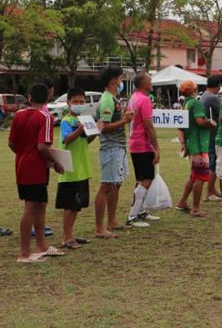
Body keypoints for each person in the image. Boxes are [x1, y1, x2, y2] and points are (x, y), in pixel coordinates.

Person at [9, 83, 65, 262]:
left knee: (39, 204)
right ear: (48, 98)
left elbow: (12, 143)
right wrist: (55, 161)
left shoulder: (18, 115)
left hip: (22, 166)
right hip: (36, 168)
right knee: (31, 207)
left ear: (29, 97)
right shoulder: (46, 117)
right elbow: (42, 146)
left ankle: (42, 245)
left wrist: (24, 154)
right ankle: (25, 253)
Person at [57, 87, 99, 249]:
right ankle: (66, 238)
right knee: (70, 206)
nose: (79, 104)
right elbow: (67, 139)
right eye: (75, 102)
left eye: (82, 101)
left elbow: (84, 142)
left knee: (77, 206)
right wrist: (81, 129)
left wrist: (95, 132)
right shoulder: (67, 121)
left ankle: (71, 235)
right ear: (68, 103)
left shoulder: (84, 119)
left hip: (82, 169)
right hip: (70, 171)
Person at [95, 67, 134, 239]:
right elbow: (104, 127)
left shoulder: (113, 98)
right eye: (120, 79)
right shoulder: (107, 100)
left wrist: (123, 118)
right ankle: (99, 227)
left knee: (116, 184)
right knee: (106, 186)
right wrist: (125, 120)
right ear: (113, 81)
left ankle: (112, 220)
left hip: (119, 146)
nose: (121, 82)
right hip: (111, 147)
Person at [125, 72, 161, 228]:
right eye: (149, 80)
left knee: (143, 179)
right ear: (144, 84)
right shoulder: (144, 100)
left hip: (135, 142)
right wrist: (156, 147)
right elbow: (149, 125)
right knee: (145, 180)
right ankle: (133, 216)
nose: (151, 82)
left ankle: (140, 211)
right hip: (142, 144)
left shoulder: (133, 98)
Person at [175, 81, 215, 218]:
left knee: (194, 176)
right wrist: (210, 123)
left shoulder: (185, 105)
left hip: (192, 143)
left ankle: (182, 202)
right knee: (200, 176)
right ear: (194, 90)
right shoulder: (196, 103)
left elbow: (180, 128)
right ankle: (196, 208)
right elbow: (199, 121)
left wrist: (183, 144)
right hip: (199, 144)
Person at [200, 76, 222, 202]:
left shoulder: (204, 95)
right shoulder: (213, 98)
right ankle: (209, 192)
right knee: (213, 161)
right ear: (218, 85)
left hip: (206, 133)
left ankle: (212, 189)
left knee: (212, 160)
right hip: (213, 133)